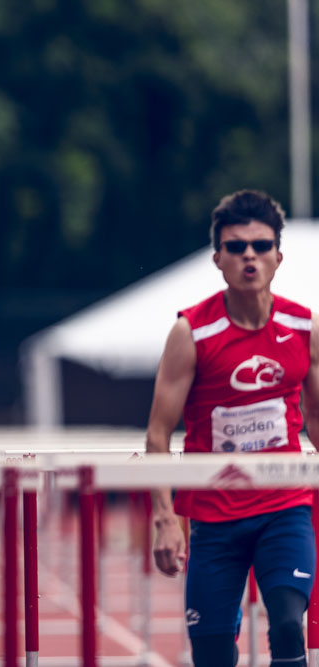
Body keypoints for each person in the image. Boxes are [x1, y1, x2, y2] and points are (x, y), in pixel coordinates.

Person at [146, 190, 319, 667]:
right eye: (237, 246)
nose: (250, 255)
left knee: (287, 624)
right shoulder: (192, 333)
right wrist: (165, 520)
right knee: (213, 652)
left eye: (261, 246)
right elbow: (158, 433)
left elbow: (318, 417)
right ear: (218, 257)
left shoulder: (303, 326)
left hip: (284, 504)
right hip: (214, 515)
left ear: (278, 257)